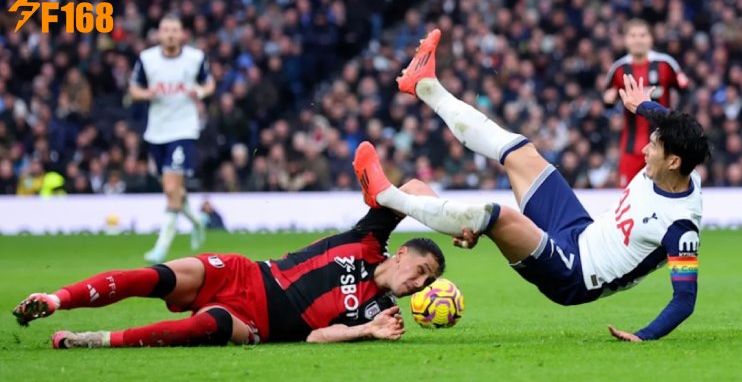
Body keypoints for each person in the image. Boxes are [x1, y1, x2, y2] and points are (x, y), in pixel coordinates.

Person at [353, 29, 709, 341]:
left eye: (654, 147)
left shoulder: (679, 226)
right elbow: (675, 122)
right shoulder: (678, 156)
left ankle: (385, 196)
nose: (645, 148)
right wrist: (642, 105)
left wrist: (643, 336)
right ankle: (426, 86)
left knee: (499, 216)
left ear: (674, 162)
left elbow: (685, 300)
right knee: (520, 152)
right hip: (579, 230)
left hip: (574, 274)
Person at [12, 180, 445, 348]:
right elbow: (417, 186)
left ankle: (92, 340)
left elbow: (316, 337)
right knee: (156, 277)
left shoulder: (379, 314)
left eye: (427, 285)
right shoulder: (369, 239)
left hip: (256, 321)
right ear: (403, 253)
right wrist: (457, 221)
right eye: (422, 272)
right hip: (246, 272)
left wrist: (366, 330)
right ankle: (54, 299)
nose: (419, 285)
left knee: (205, 328)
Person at [129, 14, 214, 264]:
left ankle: (161, 247)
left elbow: (209, 84)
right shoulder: (147, 59)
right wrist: (146, 94)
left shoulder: (195, 58)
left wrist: (198, 91)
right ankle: (199, 222)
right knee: (174, 188)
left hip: (184, 130)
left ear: (182, 34)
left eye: (174, 30)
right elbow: (133, 89)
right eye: (165, 30)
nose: (170, 34)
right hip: (157, 132)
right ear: (158, 33)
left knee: (169, 188)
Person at [603, 19, 689, 187]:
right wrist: (609, 103)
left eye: (642, 35)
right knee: (629, 196)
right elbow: (608, 101)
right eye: (633, 35)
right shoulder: (619, 69)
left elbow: (686, 91)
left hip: (663, 145)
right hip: (630, 148)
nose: (638, 40)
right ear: (626, 40)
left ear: (651, 39)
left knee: (664, 194)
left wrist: (674, 118)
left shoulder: (666, 64)